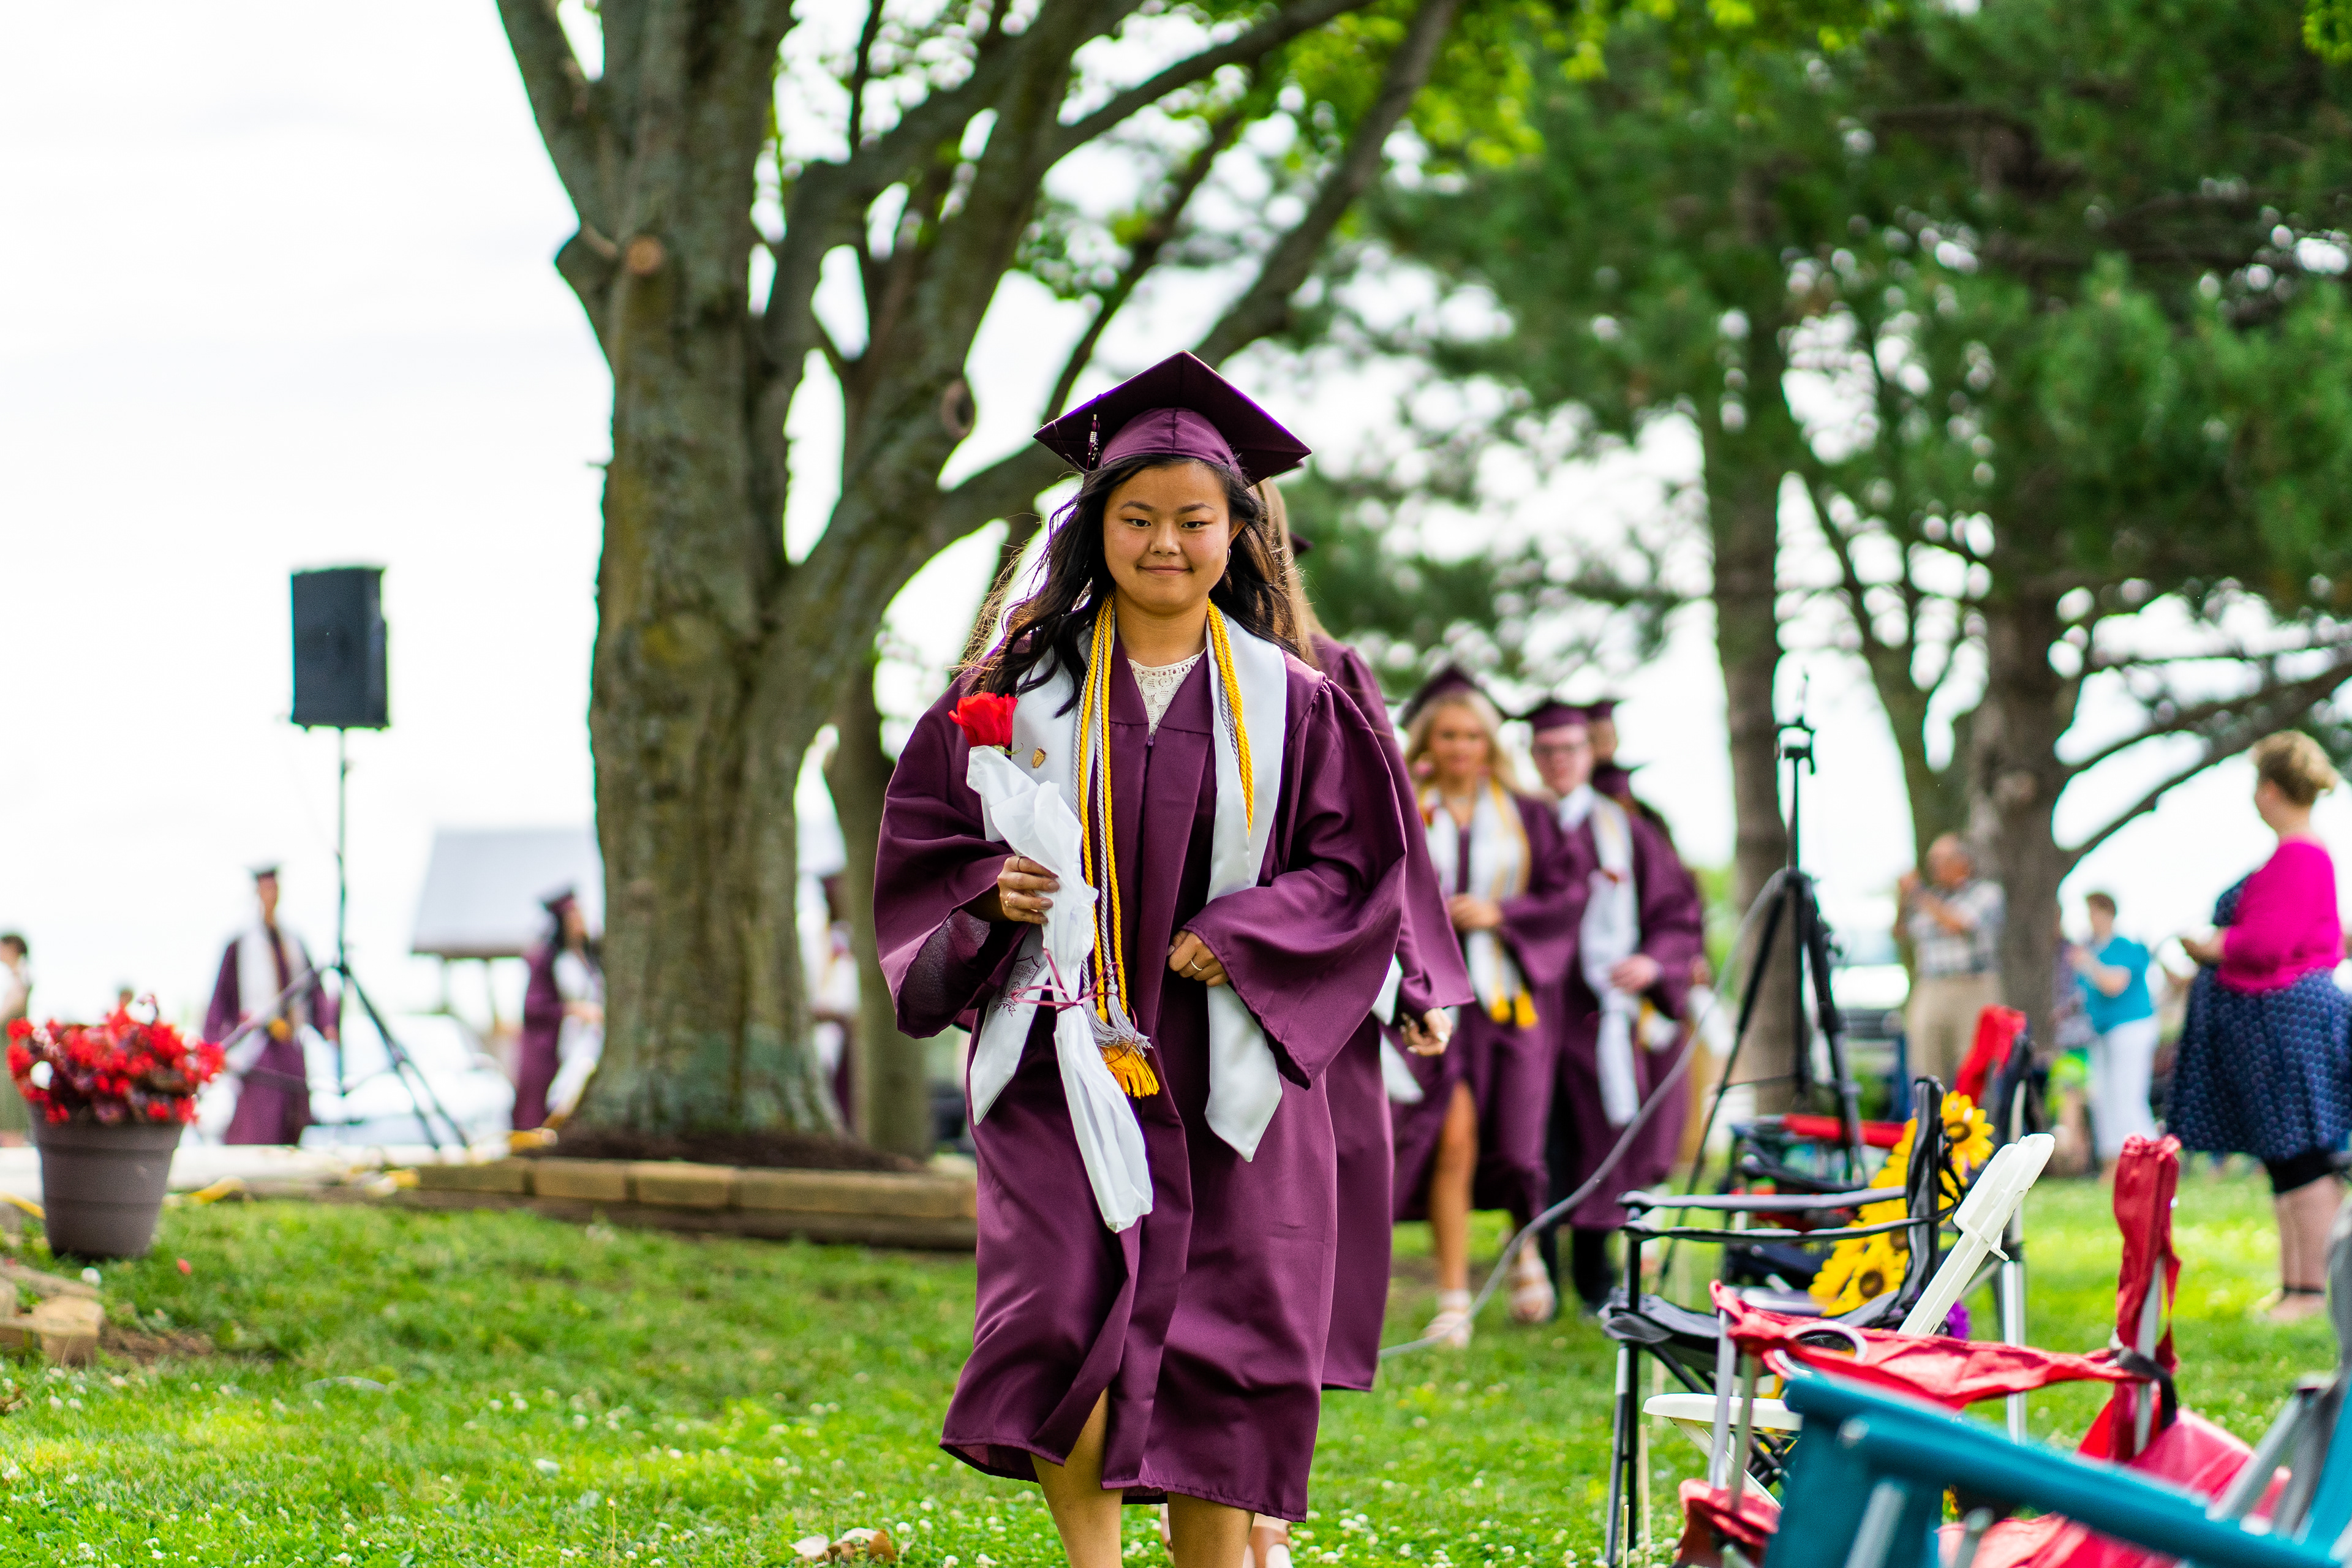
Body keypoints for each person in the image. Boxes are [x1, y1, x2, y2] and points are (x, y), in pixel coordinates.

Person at [872, 350, 1408, 1564]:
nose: (1164, 541)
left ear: (1239, 534)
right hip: (1063, 1044)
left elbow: (1356, 869)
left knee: (1229, 1328)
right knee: (1060, 1305)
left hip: (1229, 1056)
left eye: (1193, 520)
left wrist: (1245, 931)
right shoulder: (1009, 690)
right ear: (1096, 527)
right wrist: (984, 889)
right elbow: (926, 840)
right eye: (1137, 517)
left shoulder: (1298, 700)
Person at [1237, 486, 1471, 1568]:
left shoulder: (1328, 671)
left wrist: (1417, 979)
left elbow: (1393, 844)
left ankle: (1266, 1515)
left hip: (1315, 1001)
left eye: (1241, 526)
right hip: (1175, 1000)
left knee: (1296, 1258)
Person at [1387, 669, 1582, 1342]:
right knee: (1451, 1139)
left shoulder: (1527, 813)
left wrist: (1503, 911)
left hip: (1510, 1002)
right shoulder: (1404, 803)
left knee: (1520, 1145)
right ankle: (1452, 1297)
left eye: (1473, 734)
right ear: (1427, 741)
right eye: (1448, 734)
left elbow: (1566, 896)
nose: (1462, 746)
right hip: (1432, 1003)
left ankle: (1523, 1245)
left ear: (1489, 742)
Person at [1524, 699, 1705, 1311]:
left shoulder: (1622, 829)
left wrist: (1654, 962)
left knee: (1602, 1139)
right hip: (1526, 1008)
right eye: (1546, 751)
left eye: (1570, 750)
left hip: (1597, 1014)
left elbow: (1676, 913)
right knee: (1535, 1141)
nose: (1558, 762)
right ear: (1531, 754)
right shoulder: (1515, 821)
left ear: (1588, 753)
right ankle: (1538, 1264)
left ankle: (1596, 1273)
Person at [2169, 732, 2351, 1323]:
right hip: (2274, 1026)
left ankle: (2314, 1293)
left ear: (2270, 789)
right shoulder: (2298, 854)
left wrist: (2210, 942)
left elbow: (2268, 944)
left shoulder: (2300, 855)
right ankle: (2295, 1285)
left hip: (2285, 1025)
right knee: (2285, 1162)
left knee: (2303, 1163)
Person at [203, 865, 336, 1145]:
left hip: (290, 1041)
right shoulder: (241, 944)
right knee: (259, 1116)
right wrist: (214, 1044)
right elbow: (221, 999)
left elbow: (312, 987)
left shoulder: (294, 940)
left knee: (296, 1111)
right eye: (266, 889)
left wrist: (326, 1024)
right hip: (259, 1045)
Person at [1895, 834, 2004, 1088]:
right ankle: (1931, 1120)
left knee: (1974, 1063)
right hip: (1931, 986)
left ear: (1963, 862)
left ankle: (1975, 1125)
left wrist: (1918, 893)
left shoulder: (1986, 893)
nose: (1934, 866)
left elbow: (1958, 924)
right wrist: (1903, 898)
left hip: (1973, 986)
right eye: (1932, 859)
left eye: (1941, 859)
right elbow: (1900, 932)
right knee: (1925, 1057)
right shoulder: (1928, 898)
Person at [2068, 892, 2157, 1164]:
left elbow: (2114, 985)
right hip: (2101, 1030)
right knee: (2104, 1099)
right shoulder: (2093, 950)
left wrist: (2088, 964)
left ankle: (2147, 1157)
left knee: (2128, 1096)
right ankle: (2113, 1160)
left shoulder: (2123, 946)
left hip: (2131, 1027)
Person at [514, 887, 603, 1131]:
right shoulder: (546, 960)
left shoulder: (591, 958)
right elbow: (534, 1009)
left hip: (586, 1041)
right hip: (553, 1047)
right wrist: (574, 1010)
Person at [0, 935, 29, 1141]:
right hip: (8, 1055)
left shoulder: (21, 980)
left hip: (9, 1057)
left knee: (10, 1121)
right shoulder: (18, 979)